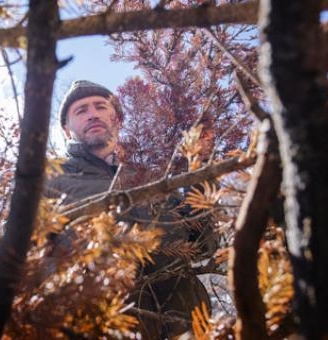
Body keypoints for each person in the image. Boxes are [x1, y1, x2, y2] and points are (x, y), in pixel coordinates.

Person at [45, 80, 211, 339]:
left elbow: (203, 245)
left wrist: (200, 175)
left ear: (118, 120)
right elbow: (25, 260)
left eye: (100, 106)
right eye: (81, 110)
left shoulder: (153, 180)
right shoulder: (50, 183)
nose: (93, 114)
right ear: (67, 130)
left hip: (187, 328)